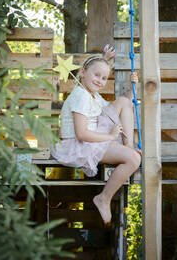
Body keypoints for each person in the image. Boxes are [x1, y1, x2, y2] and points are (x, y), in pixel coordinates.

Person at [51, 45, 141, 224]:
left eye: (104, 78)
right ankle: (104, 198)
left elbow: (123, 106)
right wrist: (110, 137)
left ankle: (128, 147)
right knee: (133, 160)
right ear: (82, 73)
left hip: (95, 135)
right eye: (97, 76)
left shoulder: (91, 94)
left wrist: (133, 87)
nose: (100, 81)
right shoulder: (81, 96)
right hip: (81, 144)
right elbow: (82, 134)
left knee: (123, 101)